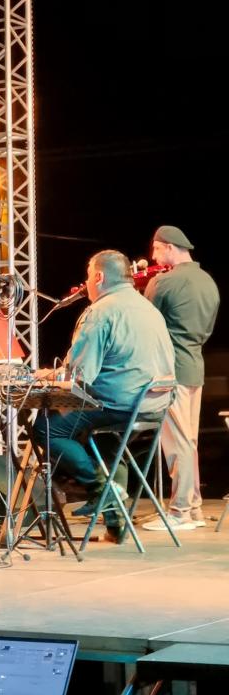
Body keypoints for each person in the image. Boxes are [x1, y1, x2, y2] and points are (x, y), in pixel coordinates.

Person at [33, 249, 175, 530]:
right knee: (101, 439)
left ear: (98, 277)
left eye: (88, 277)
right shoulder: (148, 308)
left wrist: (45, 376)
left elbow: (80, 375)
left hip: (119, 404)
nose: (86, 284)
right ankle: (114, 518)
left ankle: (102, 490)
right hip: (153, 406)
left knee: (47, 428)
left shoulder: (101, 311)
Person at [142, 225, 220, 531]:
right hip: (194, 367)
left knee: (178, 443)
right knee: (189, 440)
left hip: (169, 370)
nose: (153, 257)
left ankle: (180, 511)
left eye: (156, 249)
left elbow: (145, 325)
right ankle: (193, 508)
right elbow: (207, 329)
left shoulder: (163, 282)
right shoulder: (209, 282)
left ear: (169, 247)